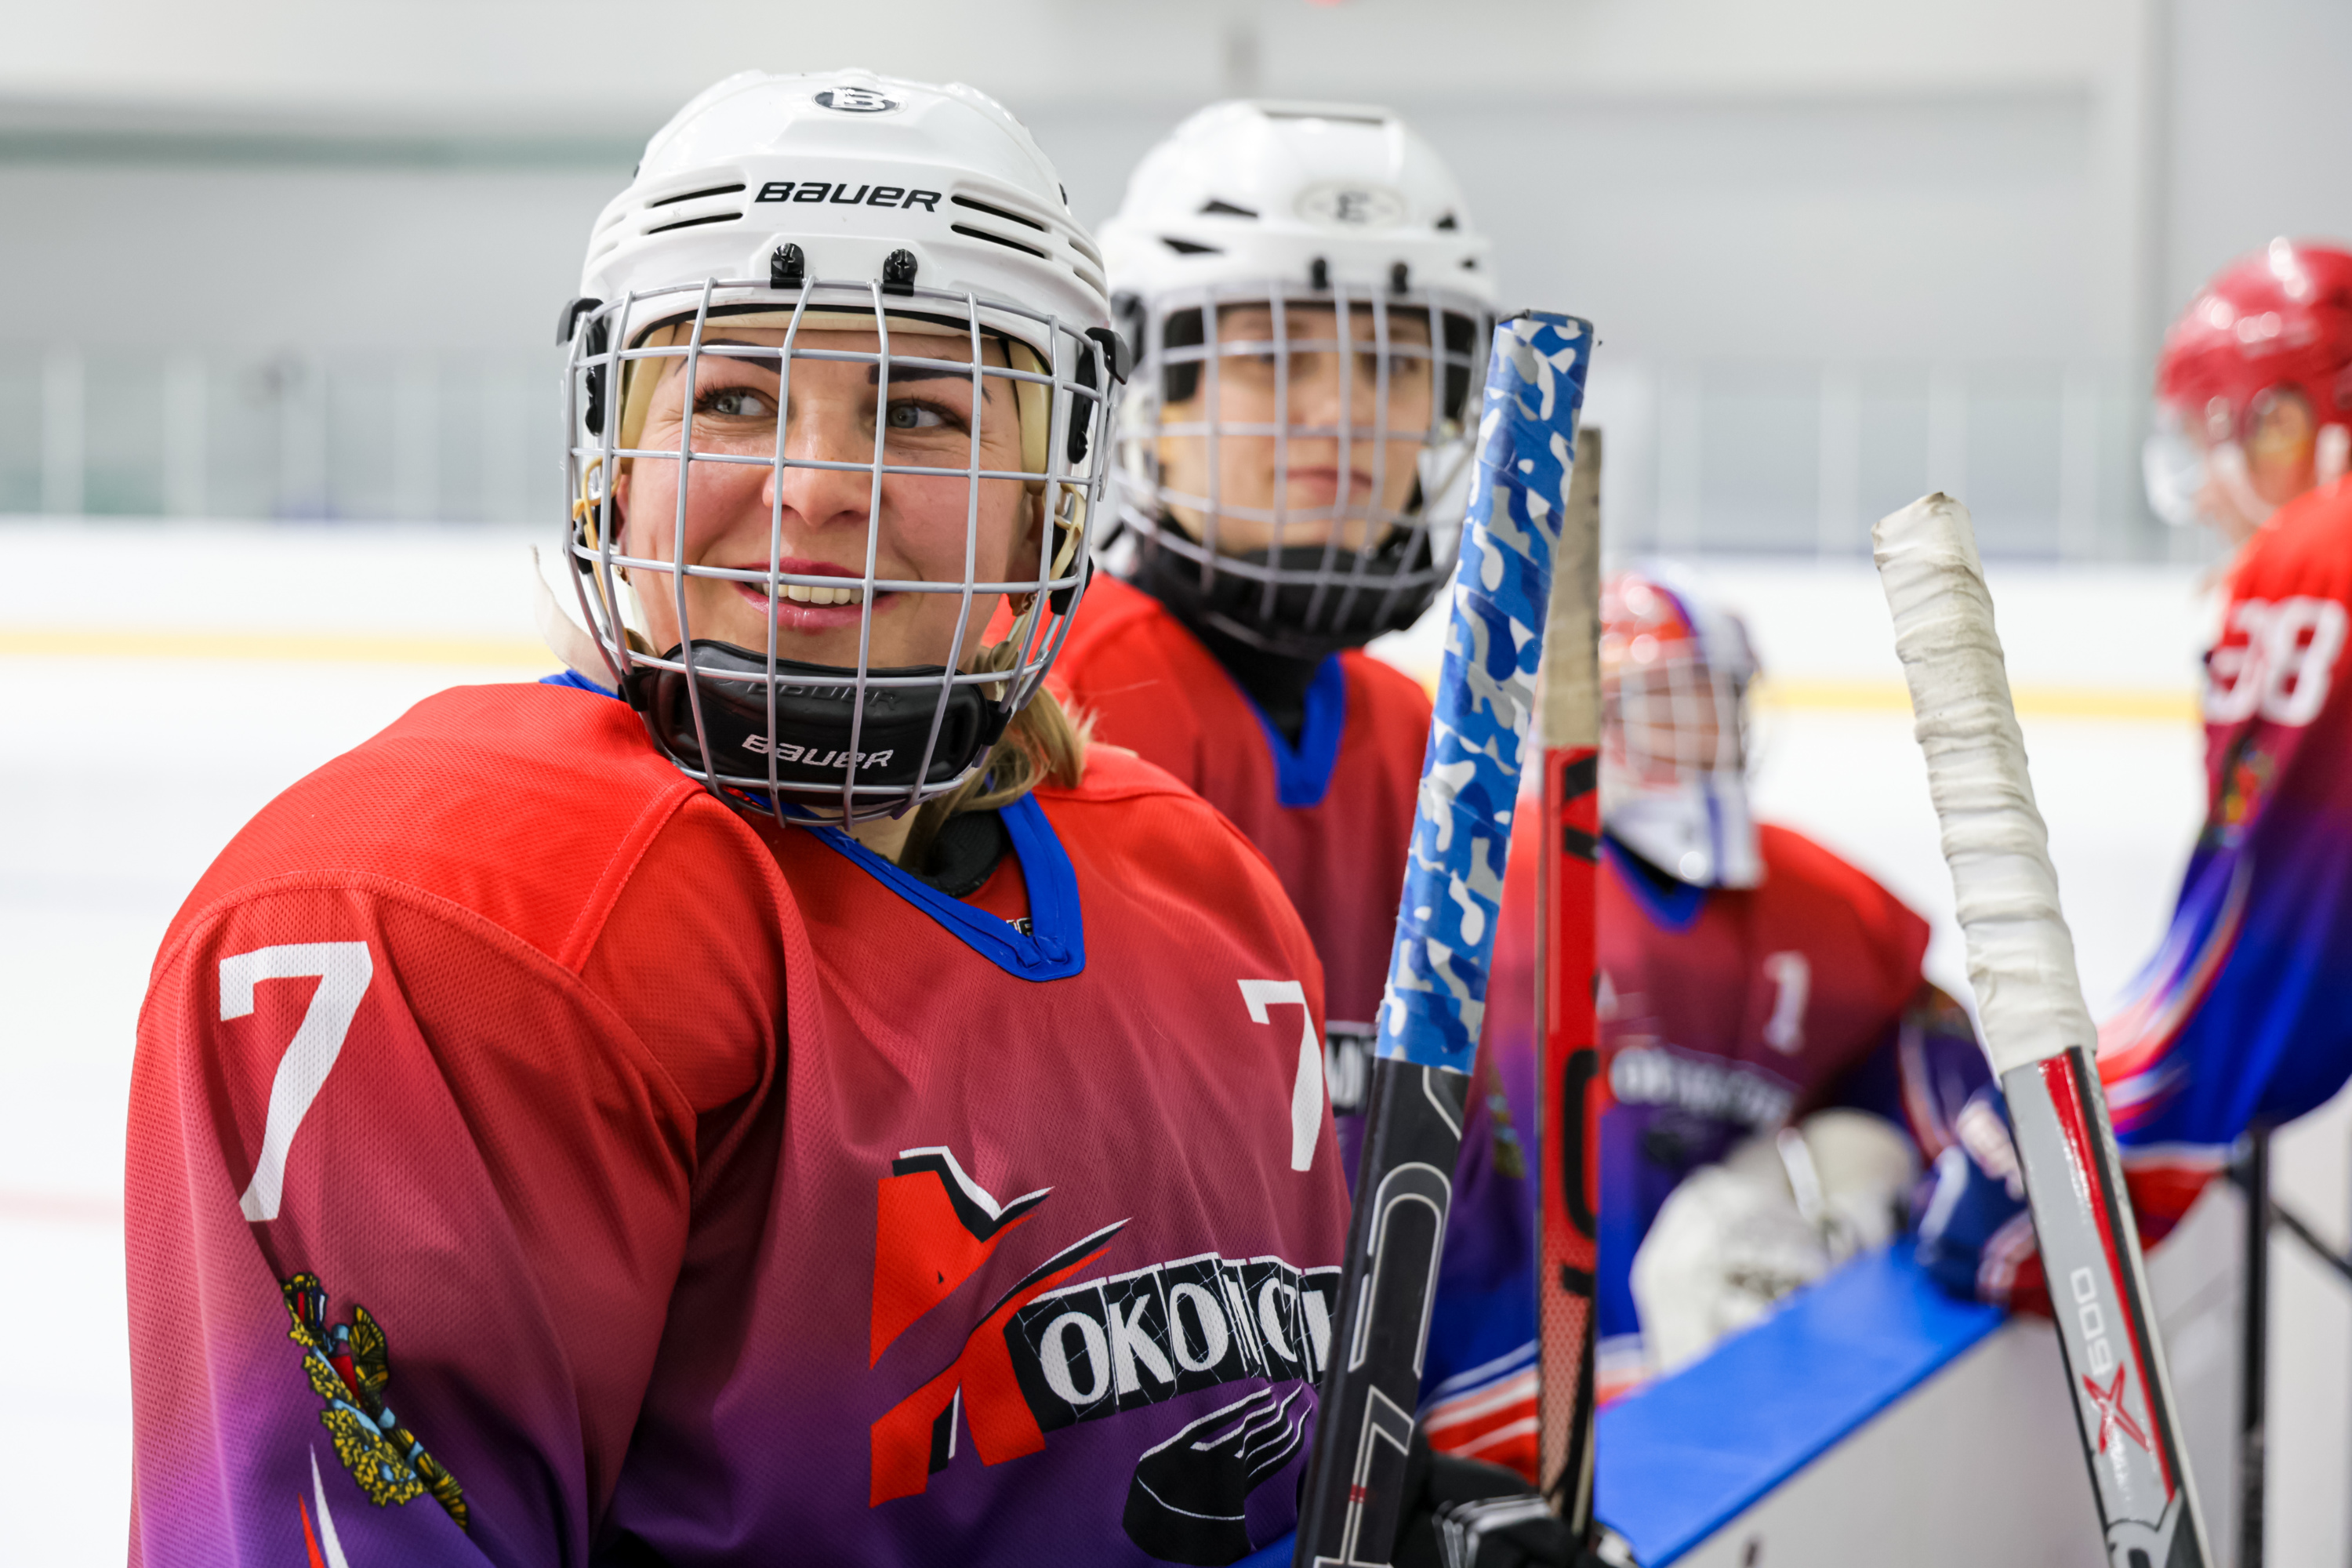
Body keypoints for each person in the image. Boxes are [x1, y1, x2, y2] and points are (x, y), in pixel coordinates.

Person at [126, 71, 1359, 1568]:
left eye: (919, 410)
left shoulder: (1201, 902)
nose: (815, 485)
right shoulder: (451, 934)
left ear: (1051, 506)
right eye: (730, 395)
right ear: (613, 474)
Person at [1052, 100, 1543, 1477]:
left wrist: (1473, 1466)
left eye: (1393, 367)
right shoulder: (1060, 702)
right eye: (1274, 356)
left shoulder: (1423, 735)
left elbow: (1452, 1177)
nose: (1342, 413)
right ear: (1155, 386)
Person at [1919, 239, 2352, 1308]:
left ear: (2294, 422)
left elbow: (2248, 978)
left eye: (2222, 442)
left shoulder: (2321, 556)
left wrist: (2029, 1159)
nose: (2206, 496)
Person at [1481, 564, 1987, 1392]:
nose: (1710, 729)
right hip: (1526, 1369)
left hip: (1735, 1357)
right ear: (1591, 718)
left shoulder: (1830, 907)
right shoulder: (1505, 888)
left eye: (1719, 697)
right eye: (1670, 704)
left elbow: (1943, 1103)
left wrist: (1849, 1205)